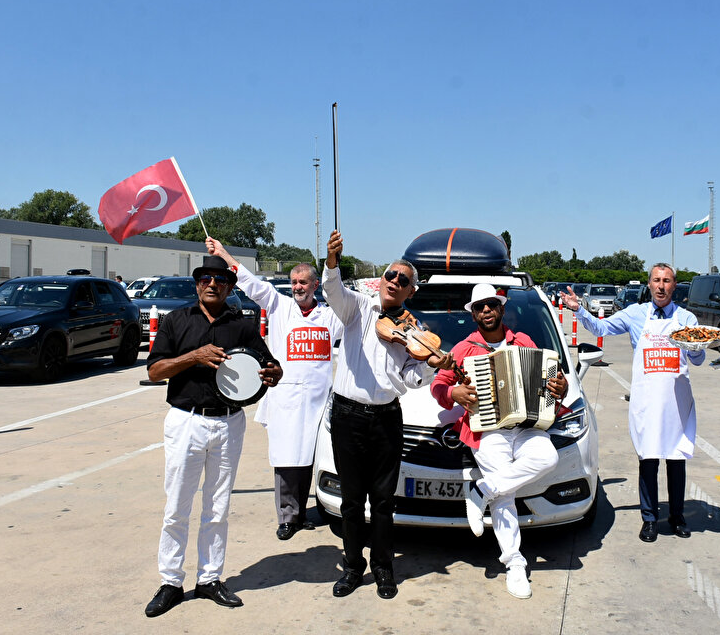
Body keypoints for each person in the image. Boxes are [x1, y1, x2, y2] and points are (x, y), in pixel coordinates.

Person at [143, 256, 283, 618]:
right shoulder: (177, 321)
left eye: (220, 279)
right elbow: (156, 371)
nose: (212, 284)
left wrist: (273, 372)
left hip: (228, 422)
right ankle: (171, 582)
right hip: (186, 420)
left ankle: (210, 578)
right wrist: (194, 356)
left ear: (230, 287)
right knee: (177, 505)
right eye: (206, 278)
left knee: (217, 506)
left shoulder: (243, 325)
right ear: (197, 284)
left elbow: (268, 366)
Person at [321, 229, 454, 600]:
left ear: (412, 291)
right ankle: (352, 567)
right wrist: (332, 261)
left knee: (382, 501)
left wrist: (429, 361)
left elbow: (412, 380)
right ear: (381, 280)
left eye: (403, 280)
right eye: (390, 275)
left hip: (385, 418)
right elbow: (332, 290)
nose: (394, 282)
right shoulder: (358, 309)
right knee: (350, 499)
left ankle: (383, 567)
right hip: (347, 415)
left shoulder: (416, 331)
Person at [430, 283, 568, 599]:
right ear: (474, 314)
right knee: (505, 497)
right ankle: (515, 565)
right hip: (488, 430)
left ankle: (483, 490)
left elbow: (550, 385)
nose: (487, 311)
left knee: (548, 458)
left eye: (492, 305)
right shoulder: (463, 350)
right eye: (480, 307)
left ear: (502, 309)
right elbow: (439, 387)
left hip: (527, 426)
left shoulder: (525, 342)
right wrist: (454, 393)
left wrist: (558, 388)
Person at [206, 237, 342, 540]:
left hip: (320, 400)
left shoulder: (329, 316)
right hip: (287, 398)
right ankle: (287, 517)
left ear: (316, 284)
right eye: (294, 282)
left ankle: (307, 511)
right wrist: (223, 253)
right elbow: (246, 278)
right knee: (286, 458)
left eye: (303, 282)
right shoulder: (278, 305)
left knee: (313, 457)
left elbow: (357, 320)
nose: (297, 287)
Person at [562, 264, 703, 543]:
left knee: (676, 460)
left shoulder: (687, 318)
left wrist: (696, 346)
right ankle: (649, 519)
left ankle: (677, 516)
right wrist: (579, 310)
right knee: (648, 459)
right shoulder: (636, 314)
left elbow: (698, 360)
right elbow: (602, 327)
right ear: (649, 285)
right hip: (647, 399)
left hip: (676, 400)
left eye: (667, 281)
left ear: (675, 286)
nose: (661, 286)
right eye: (656, 280)